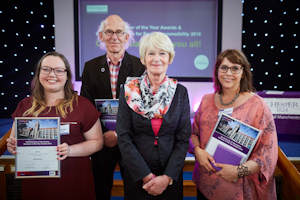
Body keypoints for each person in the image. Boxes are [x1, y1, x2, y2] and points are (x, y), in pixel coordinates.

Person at [6, 51, 103, 200]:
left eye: (58, 70)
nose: (52, 74)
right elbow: (14, 142)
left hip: (74, 183)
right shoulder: (25, 105)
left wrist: (70, 150)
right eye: (46, 69)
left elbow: (97, 142)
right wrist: (12, 146)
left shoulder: (82, 105)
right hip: (36, 185)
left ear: (66, 75)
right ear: (38, 73)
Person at [190, 49, 278, 200]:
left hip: (240, 188)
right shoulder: (206, 100)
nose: (228, 73)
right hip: (206, 184)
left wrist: (238, 171)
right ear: (217, 71)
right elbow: (193, 134)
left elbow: (267, 153)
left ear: (243, 72)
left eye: (235, 68)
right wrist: (198, 151)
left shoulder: (258, 106)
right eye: (223, 67)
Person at [116, 31, 191, 199]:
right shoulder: (128, 90)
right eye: (151, 53)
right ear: (143, 59)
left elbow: (183, 138)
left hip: (169, 175)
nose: (157, 58)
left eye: (162, 53)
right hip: (137, 174)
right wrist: (146, 176)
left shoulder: (180, 92)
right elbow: (123, 136)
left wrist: (166, 178)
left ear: (170, 59)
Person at [80, 14, 145, 200]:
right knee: (100, 190)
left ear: (127, 37)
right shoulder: (90, 67)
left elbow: (142, 107)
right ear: (101, 36)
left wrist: (119, 134)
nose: (114, 37)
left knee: (134, 192)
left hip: (131, 140)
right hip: (101, 141)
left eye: (119, 32)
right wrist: (102, 134)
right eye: (109, 32)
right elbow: (86, 105)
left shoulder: (140, 66)